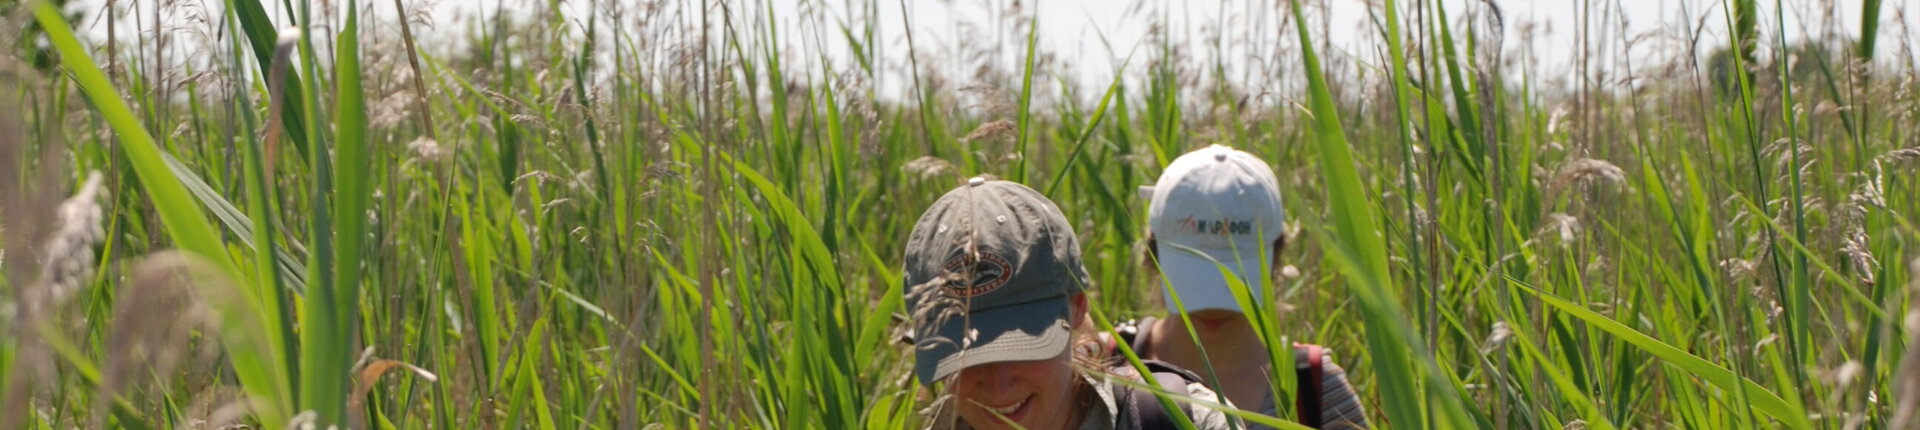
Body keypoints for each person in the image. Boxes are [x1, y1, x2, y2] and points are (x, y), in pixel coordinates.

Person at [903, 177, 1240, 430]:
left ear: (1077, 307)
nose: (998, 384)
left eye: (1021, 348)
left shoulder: (1186, 419)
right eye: (967, 356)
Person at [1123, 145, 1369, 429]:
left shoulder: (1316, 390)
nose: (1212, 307)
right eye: (1197, 277)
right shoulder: (1098, 367)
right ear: (1154, 257)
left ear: (1276, 259)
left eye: (1233, 278)